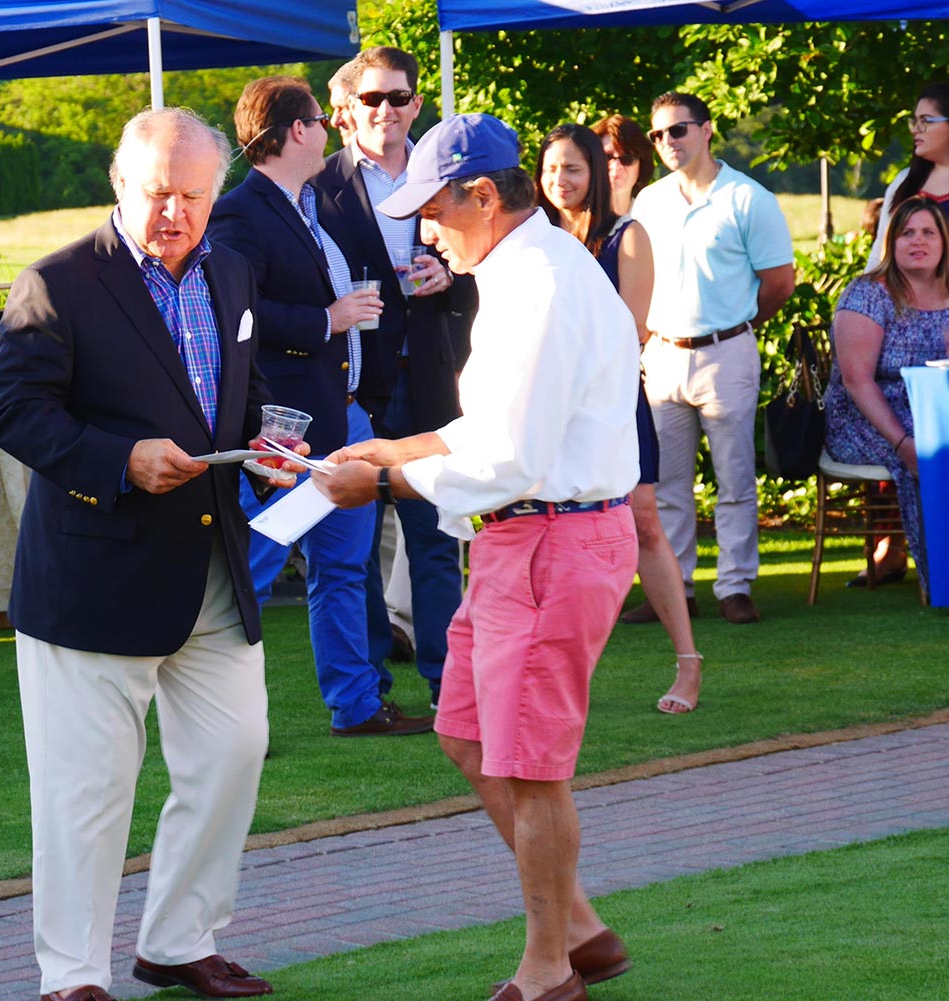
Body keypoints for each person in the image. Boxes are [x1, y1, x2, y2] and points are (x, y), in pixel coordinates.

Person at [313, 113, 640, 1001]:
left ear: (485, 196)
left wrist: (383, 482)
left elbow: (511, 457)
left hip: (550, 536)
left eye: (434, 210)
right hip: (527, 535)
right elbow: (492, 432)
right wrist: (390, 450)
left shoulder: (538, 284)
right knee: (466, 732)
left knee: (529, 766)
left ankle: (549, 968)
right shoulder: (526, 270)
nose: (425, 231)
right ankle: (579, 931)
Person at [0, 107, 294, 1001]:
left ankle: (177, 939)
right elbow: (16, 413)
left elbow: (240, 396)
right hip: (92, 579)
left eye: (194, 196)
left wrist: (268, 444)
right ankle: (72, 976)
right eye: (159, 193)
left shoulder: (231, 271)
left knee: (235, 753)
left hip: (212, 570)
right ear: (120, 184)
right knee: (85, 792)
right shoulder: (55, 282)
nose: (175, 213)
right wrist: (120, 460)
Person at [211, 77, 432, 737]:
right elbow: (234, 311)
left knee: (342, 568)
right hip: (286, 430)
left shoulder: (312, 203)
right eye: (319, 118)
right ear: (296, 131)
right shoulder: (239, 213)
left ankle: (357, 707)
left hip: (344, 417)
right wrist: (325, 320)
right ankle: (223, 722)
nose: (333, 127)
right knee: (254, 569)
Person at [313, 45, 472, 707]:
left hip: (431, 378)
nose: (387, 109)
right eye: (372, 98)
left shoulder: (446, 176)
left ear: (417, 104)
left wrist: (451, 276)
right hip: (354, 383)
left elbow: (484, 260)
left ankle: (446, 682)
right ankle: (371, 687)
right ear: (348, 109)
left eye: (398, 97)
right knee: (353, 551)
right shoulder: (316, 186)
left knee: (434, 539)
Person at [544, 122, 704, 714]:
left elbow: (632, 331)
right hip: (546, 404)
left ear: (595, 171)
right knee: (554, 525)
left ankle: (688, 662)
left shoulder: (626, 236)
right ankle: (555, 668)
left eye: (572, 168)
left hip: (612, 402)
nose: (560, 179)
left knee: (644, 522)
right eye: (550, 168)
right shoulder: (533, 237)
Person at [630, 92, 796, 625]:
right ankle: (675, 589)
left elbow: (779, 284)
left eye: (677, 130)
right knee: (665, 484)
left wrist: (736, 325)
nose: (667, 142)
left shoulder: (748, 198)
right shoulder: (648, 201)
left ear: (706, 130)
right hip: (662, 354)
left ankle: (735, 586)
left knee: (735, 477)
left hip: (727, 352)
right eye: (657, 134)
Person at [826, 195, 949, 594]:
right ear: (891, 243)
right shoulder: (868, 295)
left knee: (938, 439)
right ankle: (942, 577)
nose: (919, 241)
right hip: (865, 417)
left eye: (929, 232)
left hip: (936, 410)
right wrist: (902, 443)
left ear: (944, 242)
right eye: (907, 233)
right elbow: (857, 382)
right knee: (933, 449)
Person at [869, 83, 949, 267]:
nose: (915, 129)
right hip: (901, 287)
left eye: (926, 121)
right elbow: (879, 257)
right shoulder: (904, 181)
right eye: (915, 121)